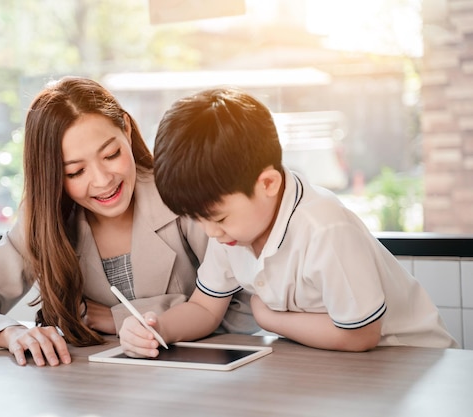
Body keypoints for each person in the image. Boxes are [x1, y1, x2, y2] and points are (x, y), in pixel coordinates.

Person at [118, 87, 459, 358]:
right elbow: (206, 308)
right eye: (198, 219)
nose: (210, 232)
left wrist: (270, 319)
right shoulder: (233, 232)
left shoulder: (324, 227)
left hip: (414, 361)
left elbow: (360, 335)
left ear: (268, 183)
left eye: (218, 218)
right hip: (340, 363)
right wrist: (156, 327)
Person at [0, 77, 257, 367]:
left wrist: (116, 319)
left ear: (127, 132)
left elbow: (242, 307)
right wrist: (10, 334)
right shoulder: (43, 221)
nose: (103, 180)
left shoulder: (181, 194)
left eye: (111, 155)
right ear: (53, 177)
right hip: (97, 385)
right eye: (75, 172)